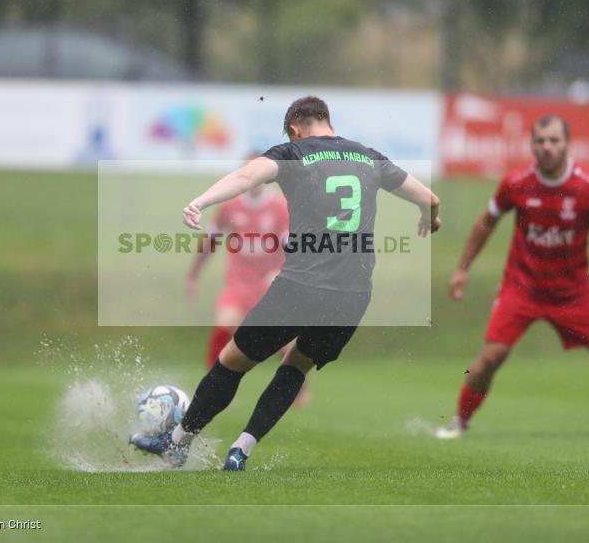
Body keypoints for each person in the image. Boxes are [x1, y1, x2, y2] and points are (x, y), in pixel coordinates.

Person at [130, 96, 440, 470]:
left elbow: (246, 177)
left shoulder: (294, 153)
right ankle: (240, 450)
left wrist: (201, 200)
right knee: (296, 366)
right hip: (353, 297)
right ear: (328, 121)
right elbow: (429, 198)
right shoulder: (368, 156)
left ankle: (177, 443)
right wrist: (428, 217)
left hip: (302, 287)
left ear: (294, 130)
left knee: (231, 362)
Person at [435, 115, 589, 440]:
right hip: (522, 288)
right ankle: (459, 420)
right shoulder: (516, 183)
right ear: (532, 145)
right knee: (489, 358)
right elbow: (487, 222)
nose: (546, 147)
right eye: (540, 141)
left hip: (574, 293)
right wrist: (462, 269)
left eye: (554, 140)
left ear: (567, 144)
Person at [186, 159, 312, 406]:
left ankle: (299, 388)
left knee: (284, 346)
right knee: (224, 323)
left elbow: (293, 245)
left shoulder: (279, 207)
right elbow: (210, 242)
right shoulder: (230, 206)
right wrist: (193, 276)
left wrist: (283, 270)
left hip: (269, 285)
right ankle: (210, 390)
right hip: (238, 284)